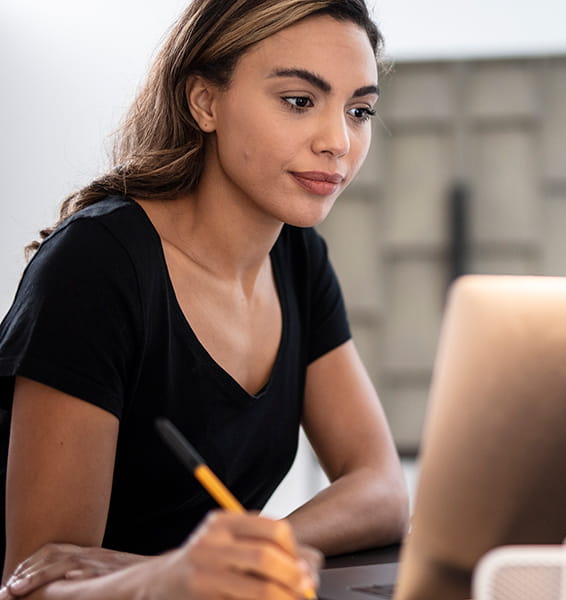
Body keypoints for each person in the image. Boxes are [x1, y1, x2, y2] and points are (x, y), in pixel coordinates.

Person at [0, 0, 410, 597]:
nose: (338, 141)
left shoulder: (297, 258)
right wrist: (166, 577)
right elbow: (32, 581)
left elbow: (381, 487)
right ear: (205, 102)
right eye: (299, 101)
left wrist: (253, 554)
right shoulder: (96, 264)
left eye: (360, 110)